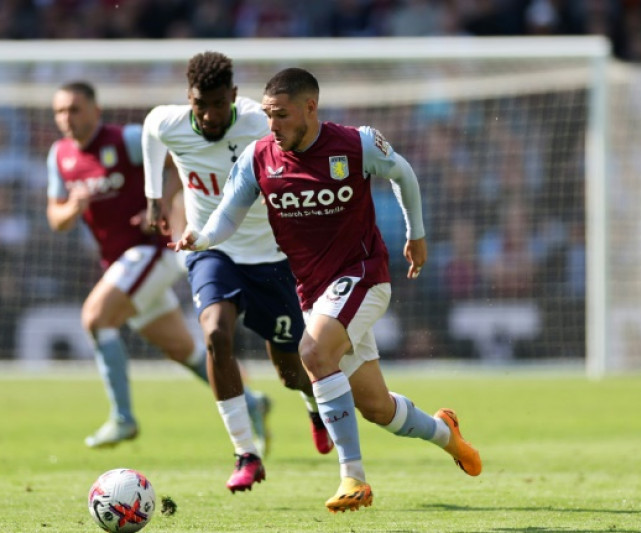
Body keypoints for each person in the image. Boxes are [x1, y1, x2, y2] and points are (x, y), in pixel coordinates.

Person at [172, 67, 482, 512]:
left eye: (280, 115)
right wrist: (199, 237)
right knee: (377, 408)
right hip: (316, 294)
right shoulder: (259, 158)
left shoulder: (355, 143)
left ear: (310, 108)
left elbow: (404, 173)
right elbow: (227, 217)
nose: (271, 125)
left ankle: (353, 478)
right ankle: (445, 433)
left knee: (313, 353)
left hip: (362, 275)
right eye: (267, 115)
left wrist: (417, 235)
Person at [143, 52, 333, 494]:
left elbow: (304, 146)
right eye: (199, 104)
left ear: (233, 95)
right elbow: (151, 136)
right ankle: (246, 453)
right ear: (188, 98)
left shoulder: (257, 122)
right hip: (211, 250)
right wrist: (154, 197)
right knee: (215, 334)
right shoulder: (168, 122)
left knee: (290, 367)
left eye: (217, 104)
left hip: (272, 256)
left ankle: (313, 405)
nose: (208, 115)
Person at [46, 81, 270, 448]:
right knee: (183, 351)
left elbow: (179, 160)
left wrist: (161, 201)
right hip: (120, 262)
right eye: (60, 111)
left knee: (96, 319)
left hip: (153, 250)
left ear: (95, 110)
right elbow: (56, 218)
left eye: (74, 109)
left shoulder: (128, 139)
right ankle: (252, 401)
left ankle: (123, 418)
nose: (67, 118)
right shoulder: (59, 156)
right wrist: (73, 207)